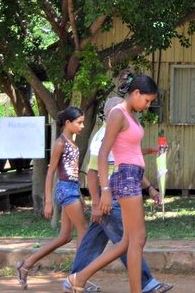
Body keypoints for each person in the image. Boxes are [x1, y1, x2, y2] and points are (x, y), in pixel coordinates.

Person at [64, 97, 172, 293]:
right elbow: (92, 171)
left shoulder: (121, 130)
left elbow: (131, 158)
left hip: (119, 191)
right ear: (112, 113)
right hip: (112, 196)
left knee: (98, 241)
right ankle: (146, 283)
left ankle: (75, 279)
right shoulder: (102, 136)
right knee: (130, 240)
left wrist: (150, 187)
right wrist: (97, 202)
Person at [15, 107, 90, 289]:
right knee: (85, 231)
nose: (82, 125)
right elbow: (50, 173)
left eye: (82, 122)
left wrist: (80, 195)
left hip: (72, 189)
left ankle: (25, 264)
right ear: (67, 123)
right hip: (65, 190)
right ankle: (77, 278)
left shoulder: (73, 143)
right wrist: (48, 202)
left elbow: (73, 173)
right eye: (79, 122)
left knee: (65, 236)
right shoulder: (60, 143)